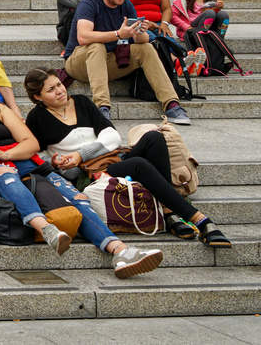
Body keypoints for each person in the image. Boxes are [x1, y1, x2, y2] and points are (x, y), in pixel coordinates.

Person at [0, 61, 164, 278]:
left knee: (74, 196)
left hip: (19, 160)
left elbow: (31, 143)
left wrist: (7, 155)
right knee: (6, 176)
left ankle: (120, 251)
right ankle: (46, 229)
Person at [23, 68, 230, 245]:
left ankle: (168, 211)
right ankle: (200, 220)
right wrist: (56, 162)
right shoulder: (37, 118)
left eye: (59, 85)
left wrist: (80, 154)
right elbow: (34, 155)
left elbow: (112, 136)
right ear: (38, 97)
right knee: (138, 164)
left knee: (154, 138)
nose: (60, 91)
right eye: (51, 90)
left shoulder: (81, 102)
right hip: (87, 175)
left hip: (110, 159)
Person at [63, 0, 191, 126]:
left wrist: (139, 32)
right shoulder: (89, 3)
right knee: (96, 46)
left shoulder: (127, 5)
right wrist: (118, 34)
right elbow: (83, 37)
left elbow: (141, 40)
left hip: (108, 61)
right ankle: (102, 107)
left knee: (146, 48)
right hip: (78, 63)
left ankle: (171, 104)